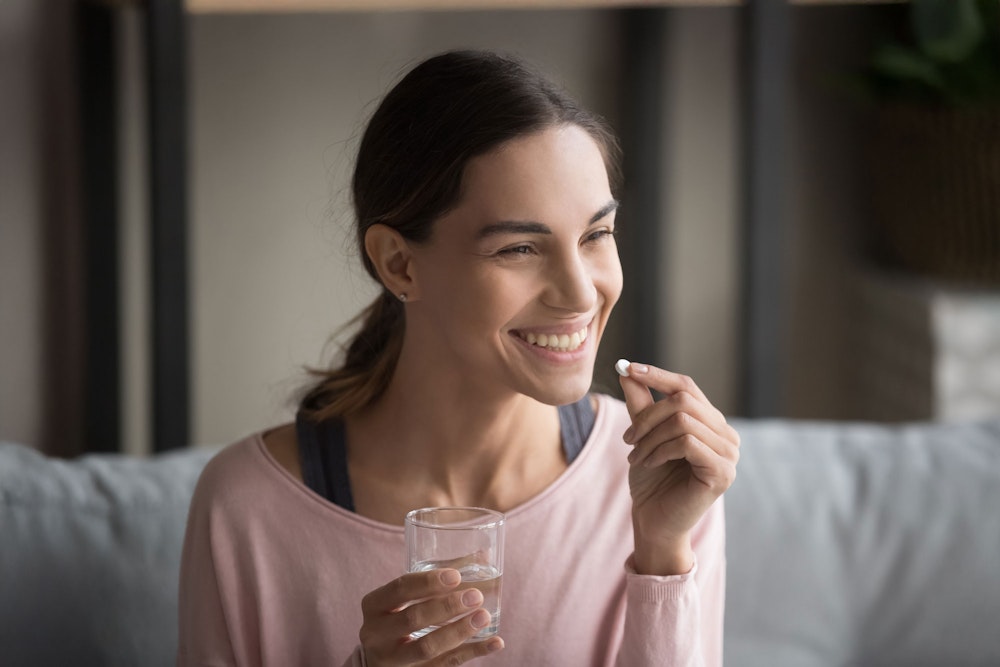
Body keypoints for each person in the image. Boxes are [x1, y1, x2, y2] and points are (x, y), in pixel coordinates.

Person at [177, 49, 739, 667]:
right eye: (520, 248)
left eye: (596, 236)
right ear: (400, 263)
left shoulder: (659, 479)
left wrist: (662, 554)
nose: (581, 293)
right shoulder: (248, 510)